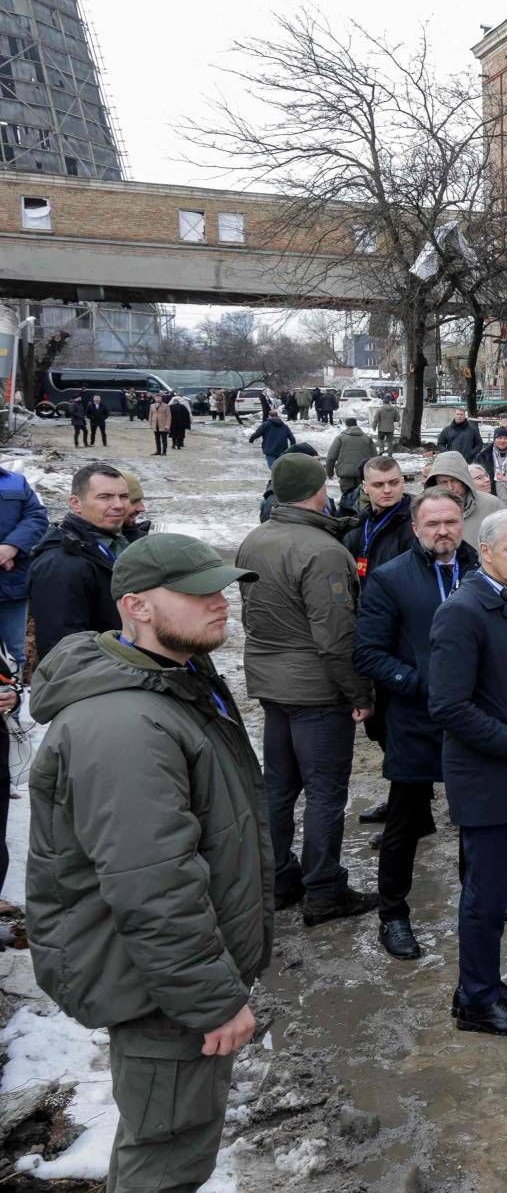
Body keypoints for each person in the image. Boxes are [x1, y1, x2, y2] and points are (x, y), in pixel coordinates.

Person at [25, 534, 268, 1192]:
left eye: (222, 589)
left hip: (168, 974)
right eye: (198, 593)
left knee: (171, 1139)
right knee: (166, 1155)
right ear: (136, 607)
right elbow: (152, 884)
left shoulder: (173, 677)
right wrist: (211, 999)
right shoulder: (126, 724)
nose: (220, 603)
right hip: (160, 987)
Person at [428, 510, 507, 1035]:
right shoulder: (463, 612)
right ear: (485, 552)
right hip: (488, 777)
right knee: (485, 896)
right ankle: (478, 1000)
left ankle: (480, 988)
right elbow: (448, 704)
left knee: (496, 891)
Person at [235, 454, 375, 923]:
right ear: (319, 489)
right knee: (325, 793)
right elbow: (335, 637)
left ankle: (279, 879)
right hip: (316, 689)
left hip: (271, 683)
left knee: (279, 787)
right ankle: (324, 890)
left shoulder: (256, 538)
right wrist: (359, 693)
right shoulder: (323, 551)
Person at [353, 488, 479, 959]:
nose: (443, 531)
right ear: (415, 527)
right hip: (415, 716)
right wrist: (420, 683)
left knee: (476, 816)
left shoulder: (480, 569)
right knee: (405, 822)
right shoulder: (391, 578)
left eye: (450, 522)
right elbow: (368, 652)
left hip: (472, 717)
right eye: (433, 524)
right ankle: (393, 914)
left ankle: (481, 898)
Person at [27, 463, 129, 655]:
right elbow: (62, 649)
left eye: (123, 496)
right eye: (105, 497)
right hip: (100, 670)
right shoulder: (61, 564)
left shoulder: (118, 543)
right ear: (75, 503)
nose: (119, 505)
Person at [0, 464, 47, 671]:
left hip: (11, 586)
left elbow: (37, 517)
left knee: (14, 655)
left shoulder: (16, 482)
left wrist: (12, 547)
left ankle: (13, 691)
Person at [344, 455, 415, 582]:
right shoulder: (357, 523)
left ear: (402, 482)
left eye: (393, 483)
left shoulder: (418, 523)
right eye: (378, 485)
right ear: (365, 487)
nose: (387, 490)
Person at [425, 450, 503, 543]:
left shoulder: (491, 505)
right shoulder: (427, 510)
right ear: (436, 484)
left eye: (454, 480)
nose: (450, 487)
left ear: (464, 480)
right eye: (444, 482)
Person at [325, 417, 378, 500]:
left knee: (346, 498)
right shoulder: (367, 439)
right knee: (361, 498)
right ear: (356, 424)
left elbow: (331, 457)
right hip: (362, 474)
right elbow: (375, 458)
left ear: (346, 425)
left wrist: (329, 472)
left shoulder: (340, 438)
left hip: (345, 474)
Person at [474, 426, 507, 508]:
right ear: (494, 439)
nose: (502, 441)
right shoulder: (482, 457)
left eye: (505, 438)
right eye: (499, 438)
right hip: (490, 503)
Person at [149, 391, 173, 456]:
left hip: (163, 425)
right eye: (156, 398)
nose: (157, 399)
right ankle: (158, 451)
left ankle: (164, 452)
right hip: (155, 425)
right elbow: (150, 415)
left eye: (159, 398)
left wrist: (167, 425)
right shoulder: (152, 406)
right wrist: (150, 424)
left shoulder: (166, 406)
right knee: (157, 439)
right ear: (154, 398)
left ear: (161, 398)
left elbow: (169, 416)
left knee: (164, 439)